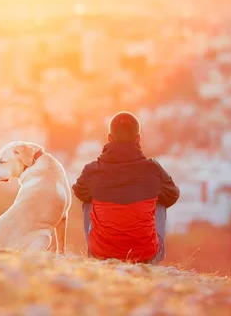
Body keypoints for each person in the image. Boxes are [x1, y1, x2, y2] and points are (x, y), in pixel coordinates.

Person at [72, 111, 180, 264]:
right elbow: (173, 195)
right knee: (161, 198)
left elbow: (79, 191)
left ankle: (95, 254)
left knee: (88, 199)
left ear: (109, 138)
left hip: (102, 252)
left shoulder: (92, 170)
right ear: (138, 139)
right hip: (146, 254)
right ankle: (150, 256)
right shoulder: (153, 169)